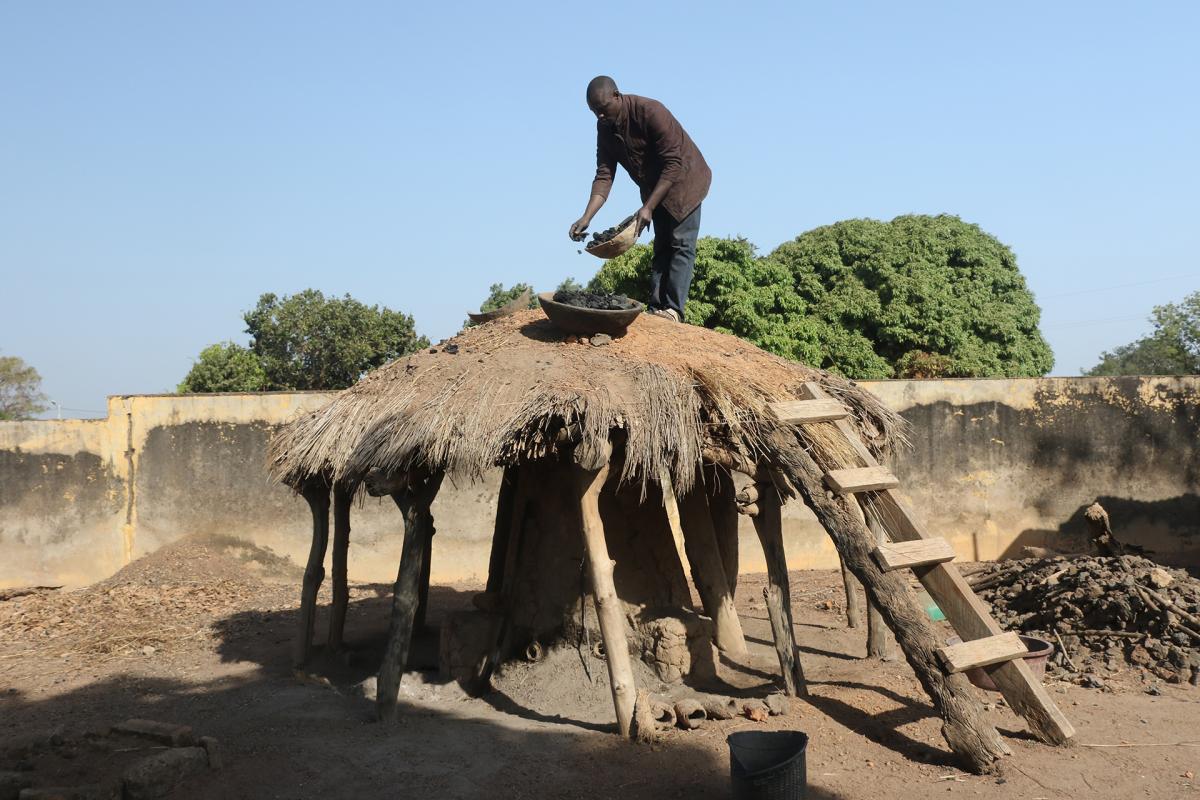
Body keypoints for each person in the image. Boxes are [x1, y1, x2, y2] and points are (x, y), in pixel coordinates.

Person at [568, 76, 711, 322]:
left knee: (680, 244)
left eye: (603, 109)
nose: (600, 116)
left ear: (617, 95)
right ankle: (657, 309)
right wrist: (587, 216)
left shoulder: (650, 111)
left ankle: (673, 310)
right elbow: (604, 174)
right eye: (594, 112)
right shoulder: (605, 127)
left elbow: (673, 163)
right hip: (654, 189)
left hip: (686, 181)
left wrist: (648, 208)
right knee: (662, 245)